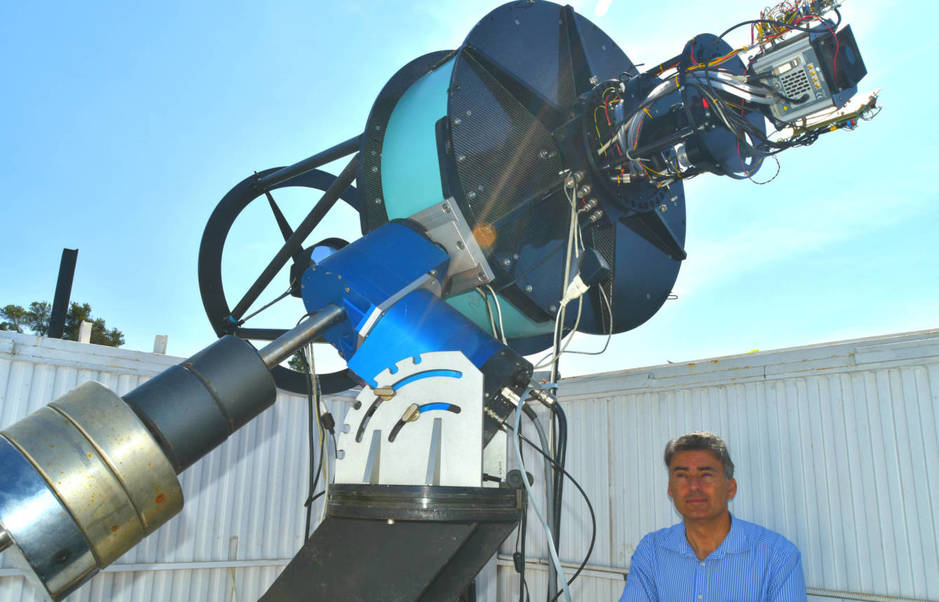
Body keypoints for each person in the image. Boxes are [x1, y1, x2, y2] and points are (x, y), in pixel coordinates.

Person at [619, 432, 806, 601]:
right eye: (682, 475)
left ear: (731, 488)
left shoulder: (778, 556)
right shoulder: (652, 551)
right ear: (670, 489)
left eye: (706, 475)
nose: (693, 486)